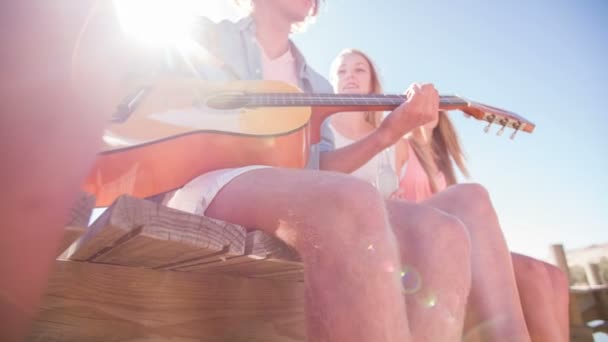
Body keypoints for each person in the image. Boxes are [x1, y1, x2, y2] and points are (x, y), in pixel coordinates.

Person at [328, 48, 569, 341]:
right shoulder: (323, 129)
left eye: (358, 69)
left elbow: (418, 165)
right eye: (341, 71)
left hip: (406, 236)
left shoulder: (395, 142)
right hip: (362, 239)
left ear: (374, 80)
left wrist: (419, 124)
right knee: (475, 201)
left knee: (552, 276)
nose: (349, 76)